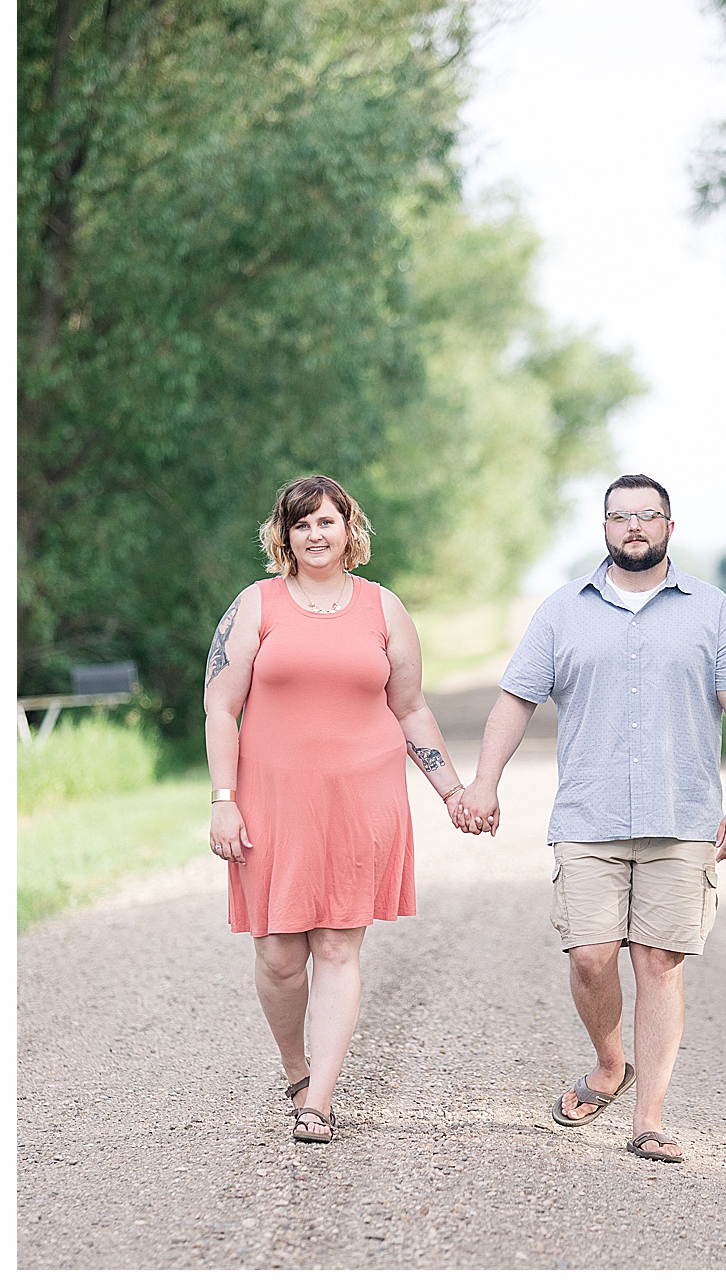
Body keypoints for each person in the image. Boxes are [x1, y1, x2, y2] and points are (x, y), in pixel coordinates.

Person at [455, 473, 726, 1164]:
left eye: (646, 516)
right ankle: (608, 1064)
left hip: (682, 820)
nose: (633, 527)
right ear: (604, 529)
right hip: (588, 817)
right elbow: (516, 701)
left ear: (669, 527)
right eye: (620, 516)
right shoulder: (563, 611)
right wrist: (483, 782)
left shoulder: (712, 610)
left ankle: (648, 1119)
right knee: (592, 959)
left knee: (659, 963)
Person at [204, 474, 469, 1143]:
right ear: (284, 536)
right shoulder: (255, 604)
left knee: (337, 946)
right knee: (280, 959)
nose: (316, 533)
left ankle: (318, 1099)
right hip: (271, 802)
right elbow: (220, 705)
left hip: (361, 799)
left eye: (328, 521)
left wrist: (451, 791)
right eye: (302, 524)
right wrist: (223, 800)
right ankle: (297, 1068)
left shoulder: (384, 608)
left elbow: (409, 708)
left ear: (351, 529)